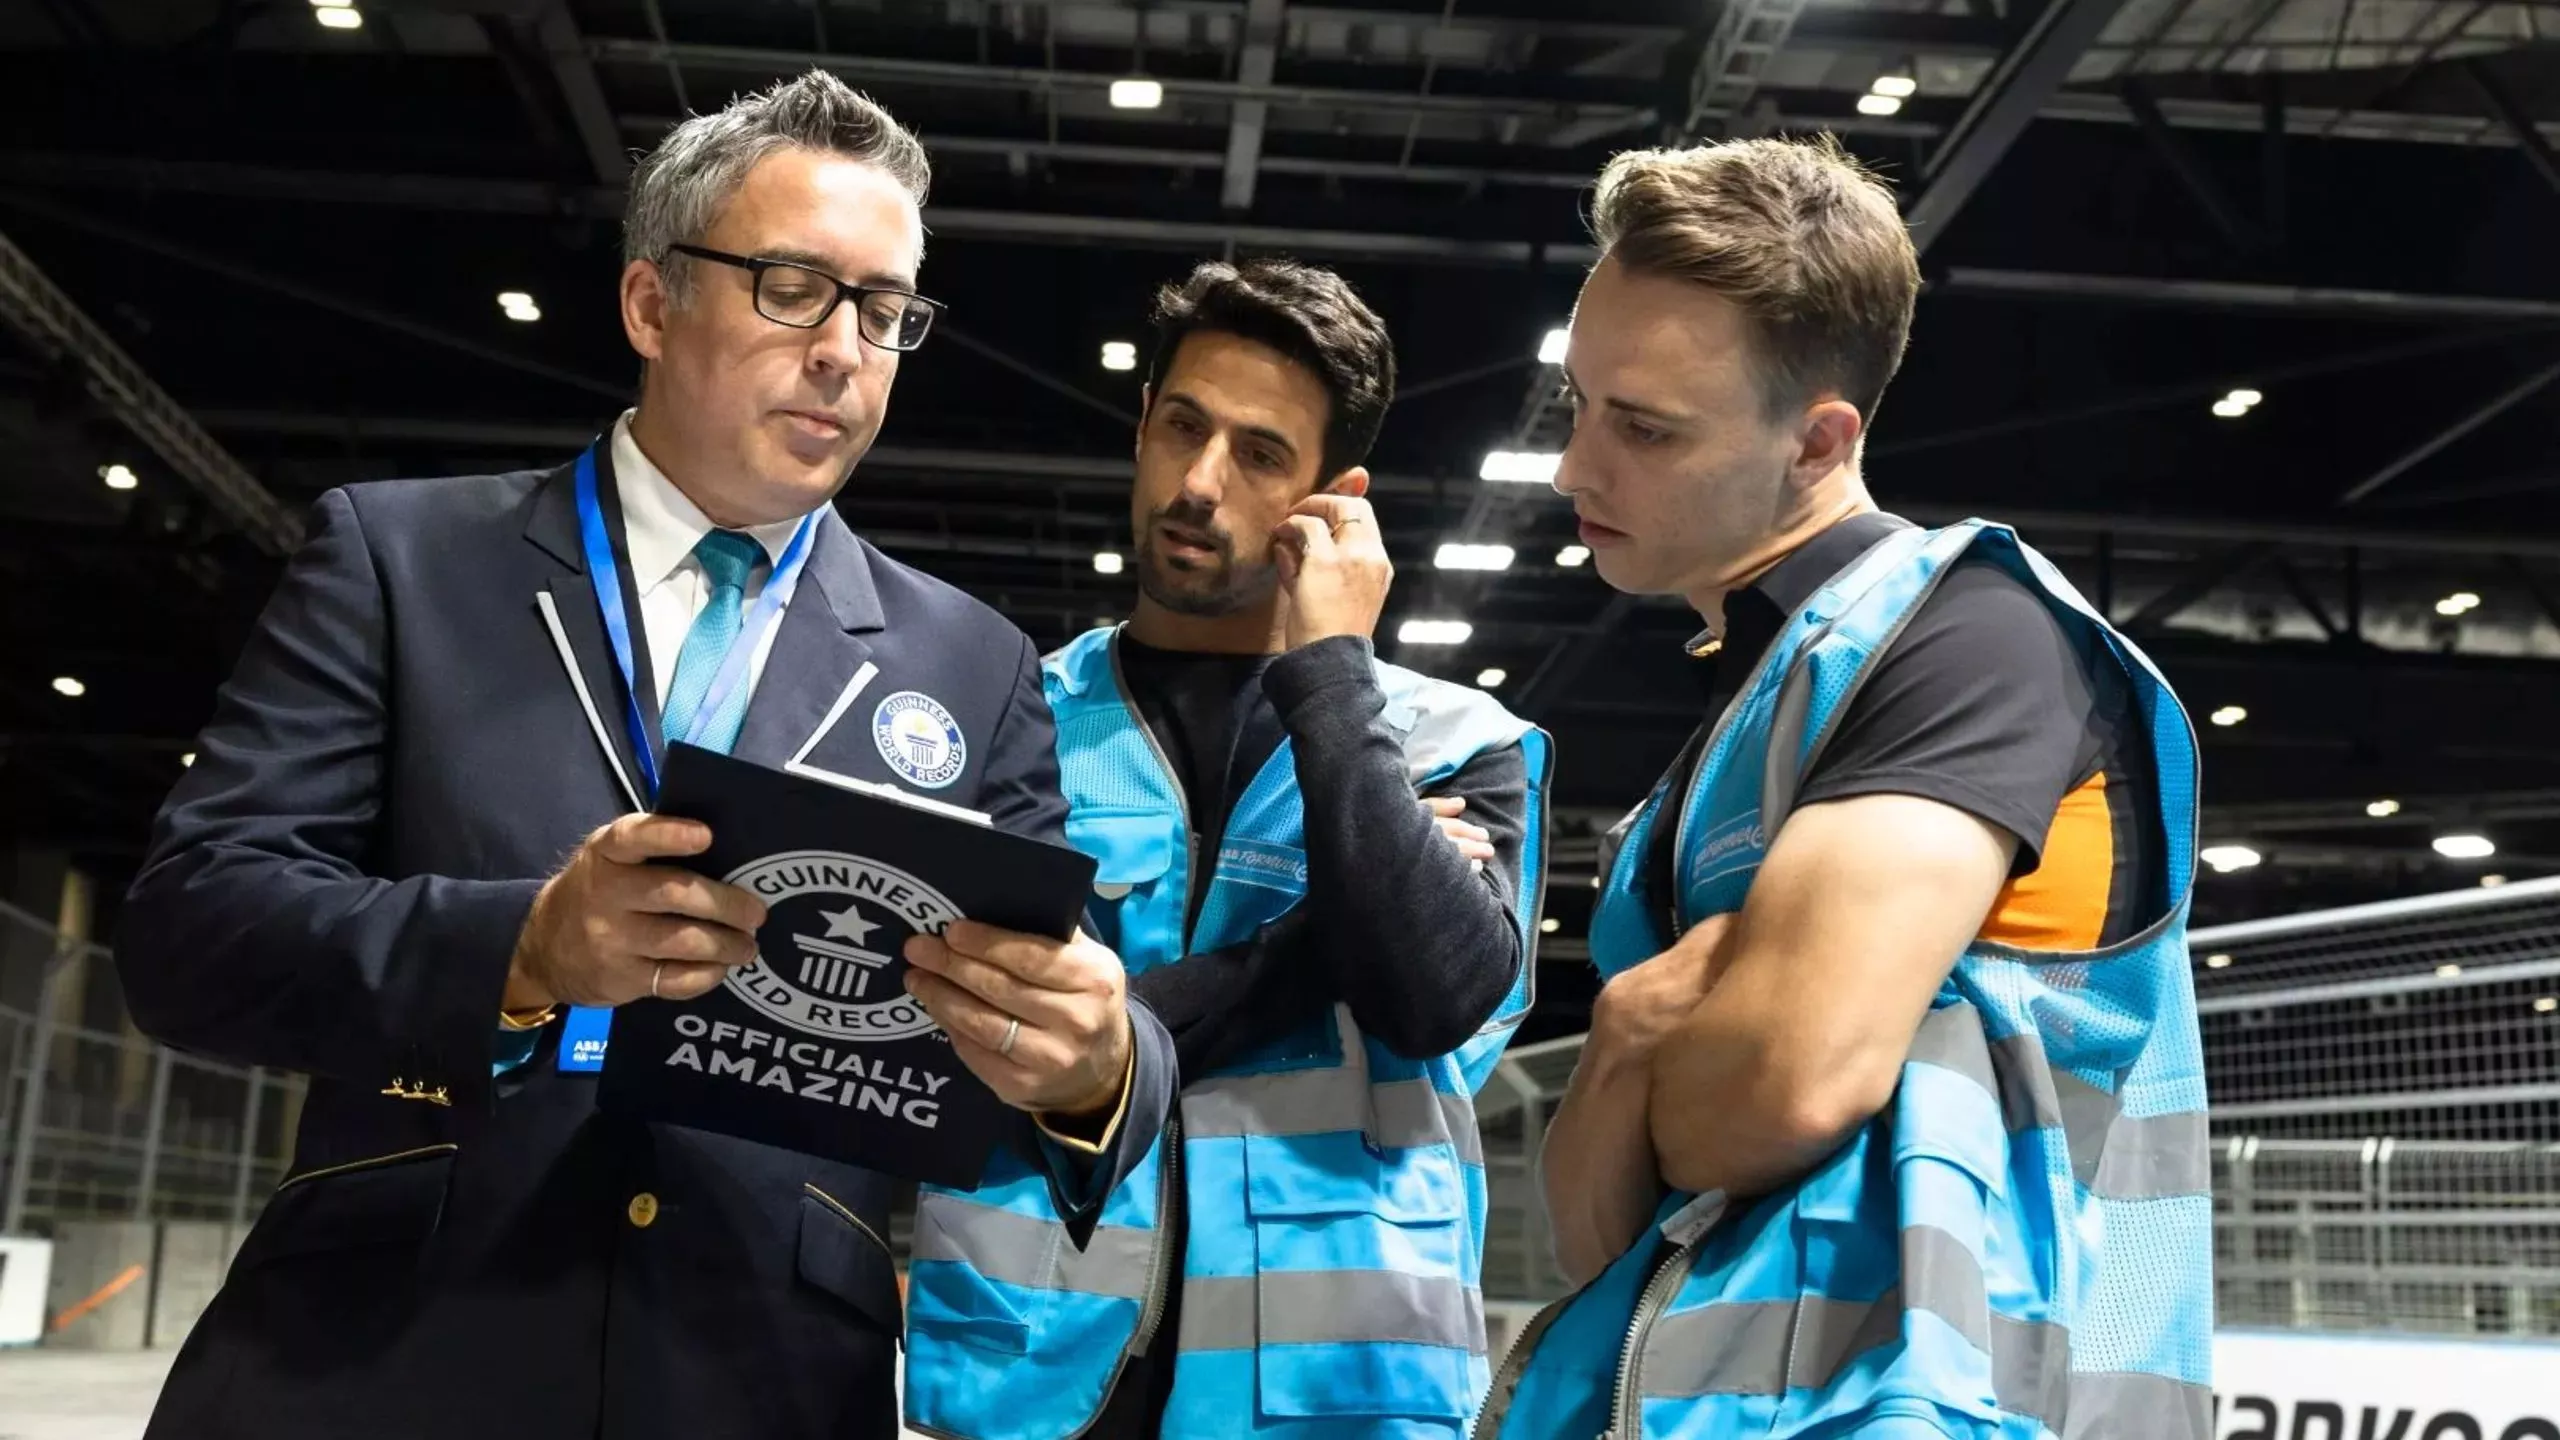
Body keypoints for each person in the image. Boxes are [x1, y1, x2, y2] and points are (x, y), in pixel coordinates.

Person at [113, 71, 1173, 1440]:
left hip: (764, 1380)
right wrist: (526, 950)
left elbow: (1086, 1019)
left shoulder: (974, 664)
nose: (844, 349)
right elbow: (190, 930)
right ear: (650, 304)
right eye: (792, 287)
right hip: (386, 1361)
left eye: (885, 309)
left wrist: (1097, 1068)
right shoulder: (402, 560)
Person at [1474, 139, 2211, 1439]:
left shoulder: (1970, 638)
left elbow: (1781, 1088)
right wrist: (1640, 1034)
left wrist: (1639, 1040)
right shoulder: (1767, 707)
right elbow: (1600, 1229)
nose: (1578, 468)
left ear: (1820, 440)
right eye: (1580, 403)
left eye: (1641, 427)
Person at [901, 259, 1554, 1439]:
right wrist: (1318, 952)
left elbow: (1427, 993)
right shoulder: (1014, 718)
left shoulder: (1455, 740)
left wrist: (1333, 683)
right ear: (1144, 422)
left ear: (1329, 501)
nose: (1199, 483)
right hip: (1032, 1369)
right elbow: (967, 1019)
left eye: (1258, 455)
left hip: (1336, 1390)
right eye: (1184, 427)